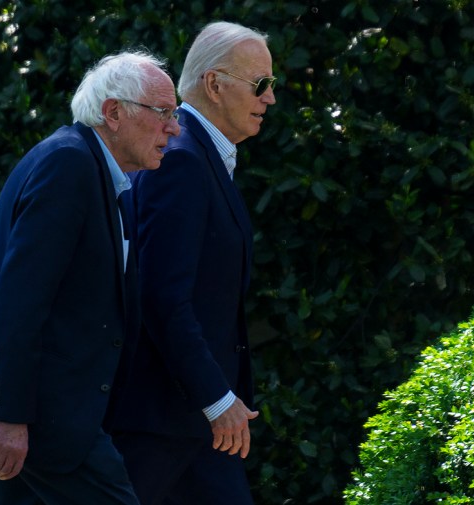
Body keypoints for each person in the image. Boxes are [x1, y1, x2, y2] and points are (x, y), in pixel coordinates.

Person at [0, 50, 180, 505]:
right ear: (113, 113)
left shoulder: (95, 170)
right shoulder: (69, 165)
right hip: (46, 421)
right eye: (163, 114)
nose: (174, 128)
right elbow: (19, 300)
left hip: (52, 417)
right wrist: (12, 417)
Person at [107, 21, 277, 504]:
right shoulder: (181, 160)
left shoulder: (198, 156)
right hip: (165, 419)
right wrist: (217, 398)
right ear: (215, 84)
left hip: (194, 424)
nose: (269, 98)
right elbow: (162, 296)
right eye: (260, 85)